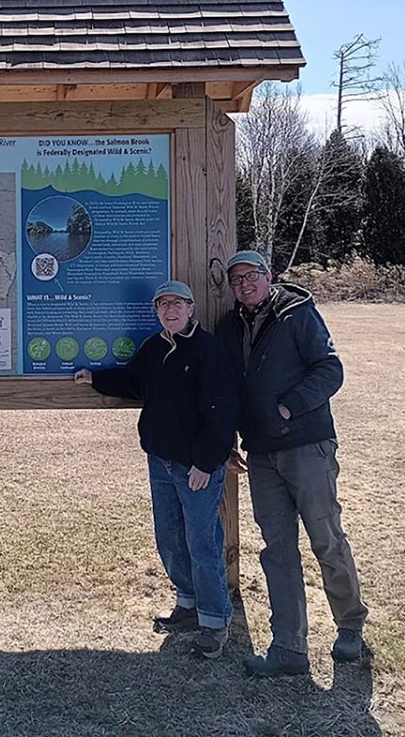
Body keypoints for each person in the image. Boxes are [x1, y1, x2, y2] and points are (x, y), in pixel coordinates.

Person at [216, 250, 370, 677]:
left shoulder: (297, 313)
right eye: (236, 279)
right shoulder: (229, 328)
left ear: (269, 277)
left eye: (252, 276)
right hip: (260, 454)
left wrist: (288, 408)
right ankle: (289, 647)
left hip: (307, 446)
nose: (245, 284)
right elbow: (227, 391)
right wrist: (227, 441)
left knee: (326, 538)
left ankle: (350, 626)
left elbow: (329, 370)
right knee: (277, 550)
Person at [74, 280, 237, 659]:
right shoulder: (154, 347)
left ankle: (214, 621)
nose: (171, 310)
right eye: (163, 305)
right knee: (169, 536)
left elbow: (223, 409)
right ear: (158, 312)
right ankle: (187, 601)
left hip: (195, 466)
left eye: (178, 303)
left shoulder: (207, 350)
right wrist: (96, 378)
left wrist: (205, 462)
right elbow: (133, 382)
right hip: (160, 461)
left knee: (203, 541)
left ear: (191, 309)